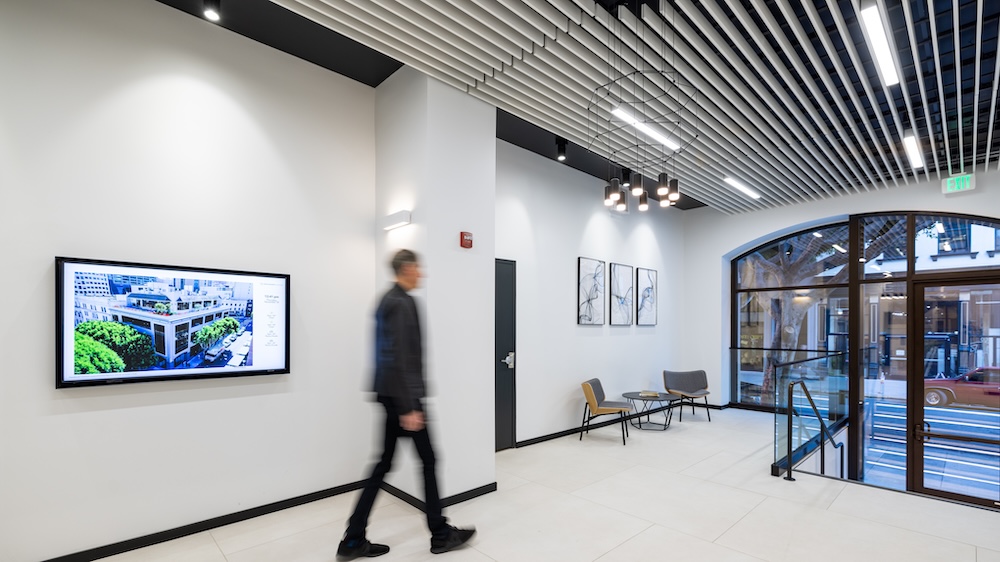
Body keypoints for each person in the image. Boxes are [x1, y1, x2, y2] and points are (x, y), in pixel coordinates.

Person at [337, 250, 475, 560]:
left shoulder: (389, 299)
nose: (422, 274)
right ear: (408, 268)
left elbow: (389, 357)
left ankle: (352, 540)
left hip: (391, 396)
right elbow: (397, 357)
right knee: (427, 460)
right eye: (419, 268)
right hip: (403, 400)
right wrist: (410, 406)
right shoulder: (401, 302)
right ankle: (440, 534)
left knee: (383, 465)